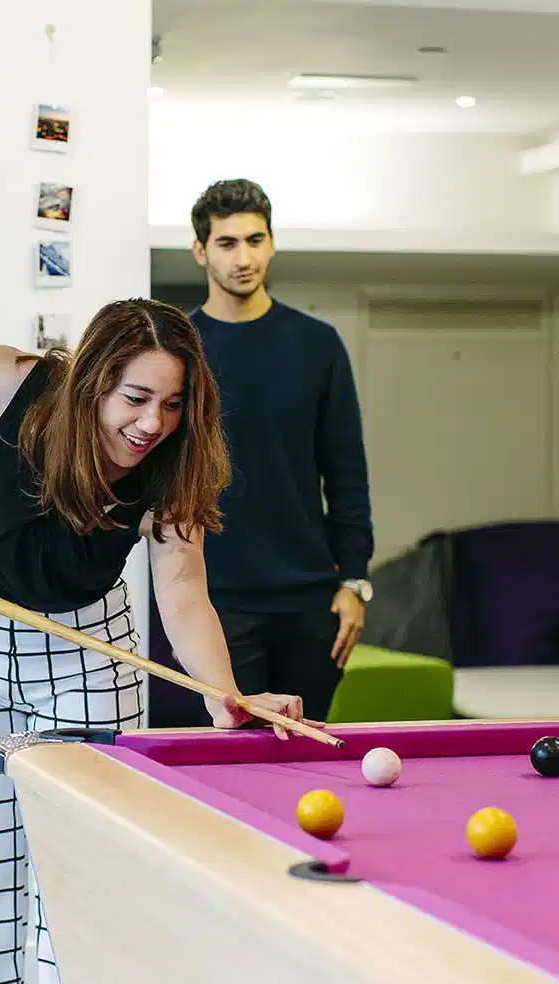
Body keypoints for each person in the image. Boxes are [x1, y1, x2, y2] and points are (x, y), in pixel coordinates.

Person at [0, 298, 310, 984]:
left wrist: (222, 695)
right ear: (95, 380)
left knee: (83, 879)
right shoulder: (20, 384)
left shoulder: (171, 465)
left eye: (173, 403)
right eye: (136, 397)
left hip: (87, 650)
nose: (153, 423)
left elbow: (183, 590)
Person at [147, 178, 373, 728]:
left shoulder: (317, 343)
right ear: (200, 251)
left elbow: (346, 470)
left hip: (311, 601)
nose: (243, 258)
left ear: (271, 243)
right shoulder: (180, 350)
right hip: (214, 598)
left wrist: (354, 581)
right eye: (227, 243)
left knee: (306, 751)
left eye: (255, 240)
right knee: (234, 753)